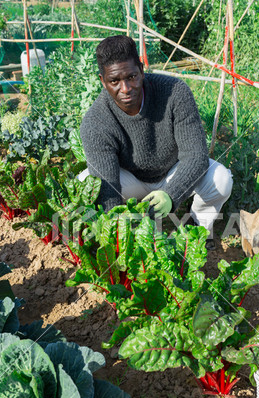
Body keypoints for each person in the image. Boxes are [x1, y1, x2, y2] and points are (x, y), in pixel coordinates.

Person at [79, 35, 233, 247]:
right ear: (103, 81)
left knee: (221, 180)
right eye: (115, 81)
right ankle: (131, 229)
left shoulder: (174, 92)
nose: (125, 88)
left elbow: (196, 156)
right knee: (86, 182)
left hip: (171, 172)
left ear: (141, 70)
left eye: (131, 77)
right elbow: (107, 191)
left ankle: (199, 228)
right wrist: (118, 241)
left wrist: (172, 195)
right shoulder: (96, 121)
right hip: (130, 181)